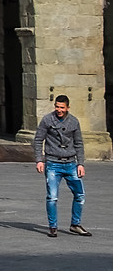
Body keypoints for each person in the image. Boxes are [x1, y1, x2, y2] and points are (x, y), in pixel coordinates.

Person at [36, 93, 88, 237]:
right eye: (57, 107)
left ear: (67, 108)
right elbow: (38, 140)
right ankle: (53, 227)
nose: (59, 110)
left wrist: (81, 164)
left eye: (62, 107)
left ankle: (75, 224)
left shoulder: (74, 121)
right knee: (52, 197)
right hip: (53, 163)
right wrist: (39, 160)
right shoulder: (47, 120)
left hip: (71, 163)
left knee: (80, 195)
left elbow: (79, 144)